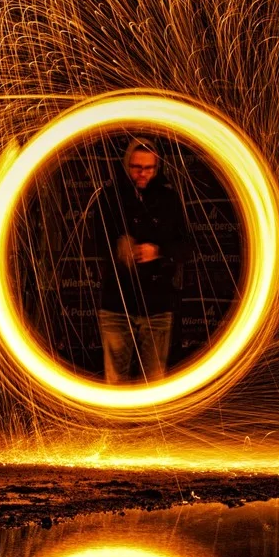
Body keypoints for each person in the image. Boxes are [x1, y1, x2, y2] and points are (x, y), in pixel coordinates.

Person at [89, 136, 192, 383]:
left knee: (154, 381)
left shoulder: (168, 200)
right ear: (127, 165)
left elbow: (187, 248)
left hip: (156, 304)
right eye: (136, 167)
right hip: (117, 303)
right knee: (116, 381)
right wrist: (117, 248)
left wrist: (158, 251)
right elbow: (93, 242)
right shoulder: (110, 198)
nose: (142, 173)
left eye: (148, 168)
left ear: (157, 168)